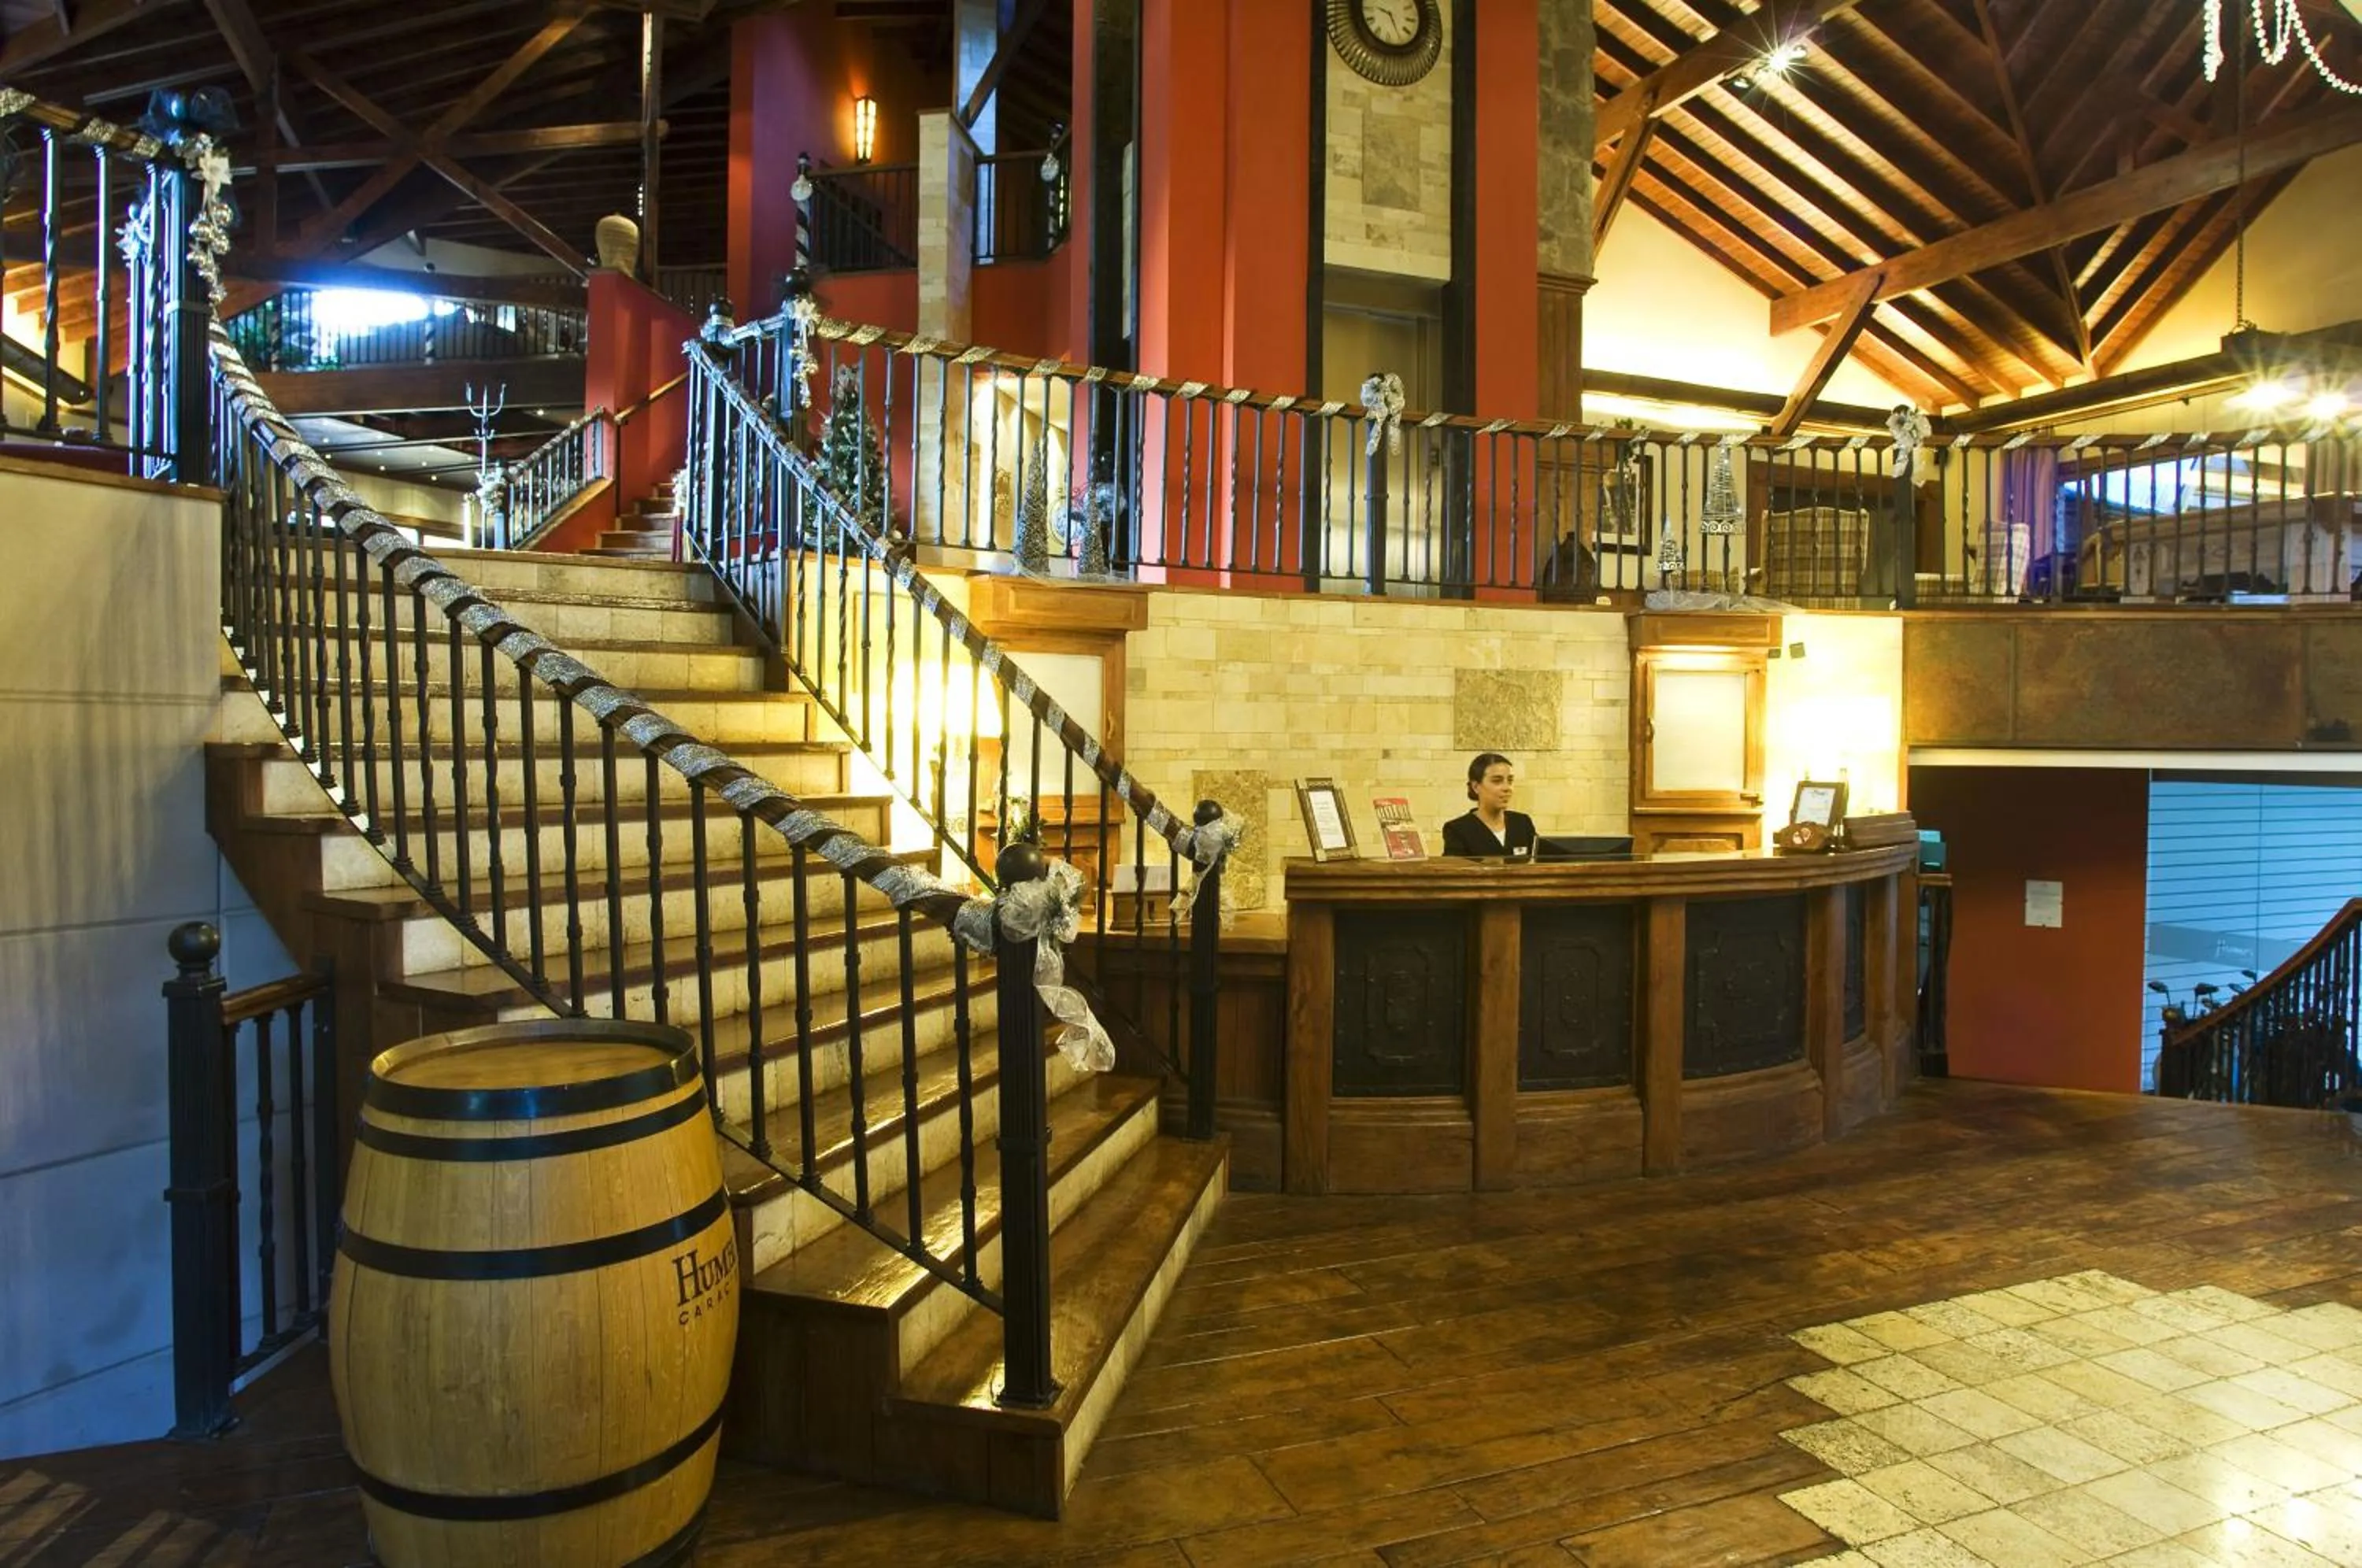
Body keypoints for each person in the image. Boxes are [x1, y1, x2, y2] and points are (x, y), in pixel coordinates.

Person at [1442, 752, 1537, 857]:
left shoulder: (1522, 823)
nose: (1507, 788)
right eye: (1497, 781)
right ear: (1476, 787)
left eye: (1510, 781)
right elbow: (1453, 870)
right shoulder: (1458, 829)